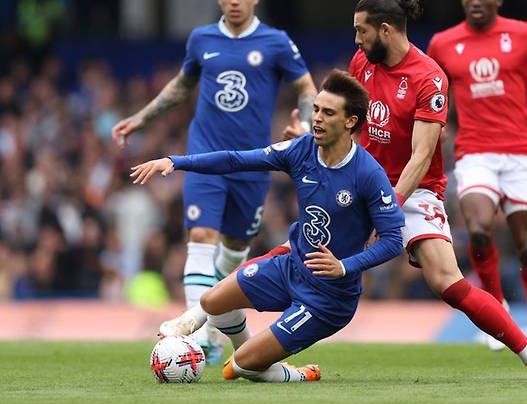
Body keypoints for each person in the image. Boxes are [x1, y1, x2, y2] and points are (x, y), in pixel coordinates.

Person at [287, 0, 527, 381]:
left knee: (447, 282)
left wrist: (387, 207)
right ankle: (212, 319)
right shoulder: (361, 63)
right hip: (361, 181)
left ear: (385, 30)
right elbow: (343, 121)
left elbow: (421, 157)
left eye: (361, 31)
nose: (356, 40)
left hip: (413, 191)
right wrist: (306, 134)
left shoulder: (429, 77)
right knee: (298, 249)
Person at [131, 69, 405, 383]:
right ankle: (252, 350)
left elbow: (394, 240)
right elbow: (235, 160)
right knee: (211, 302)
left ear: (350, 122)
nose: (316, 118)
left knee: (238, 369)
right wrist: (176, 162)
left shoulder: (368, 173)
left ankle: (291, 373)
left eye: (328, 113)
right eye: (315, 109)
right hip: (291, 268)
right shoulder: (301, 150)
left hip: (329, 299)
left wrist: (344, 267)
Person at [111, 0, 317, 363]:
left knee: (235, 248)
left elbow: (307, 89)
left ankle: (215, 316)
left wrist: (305, 124)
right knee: (202, 235)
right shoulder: (201, 39)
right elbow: (182, 84)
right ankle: (200, 339)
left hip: (253, 161)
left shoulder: (275, 42)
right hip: (205, 154)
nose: (235, 0)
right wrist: (142, 117)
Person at [426, 0, 527, 359]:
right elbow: (431, 91)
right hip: (475, 154)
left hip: (523, 154)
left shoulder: (526, 35)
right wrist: (432, 128)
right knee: (477, 230)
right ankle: (497, 308)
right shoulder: (443, 43)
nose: (475, 1)